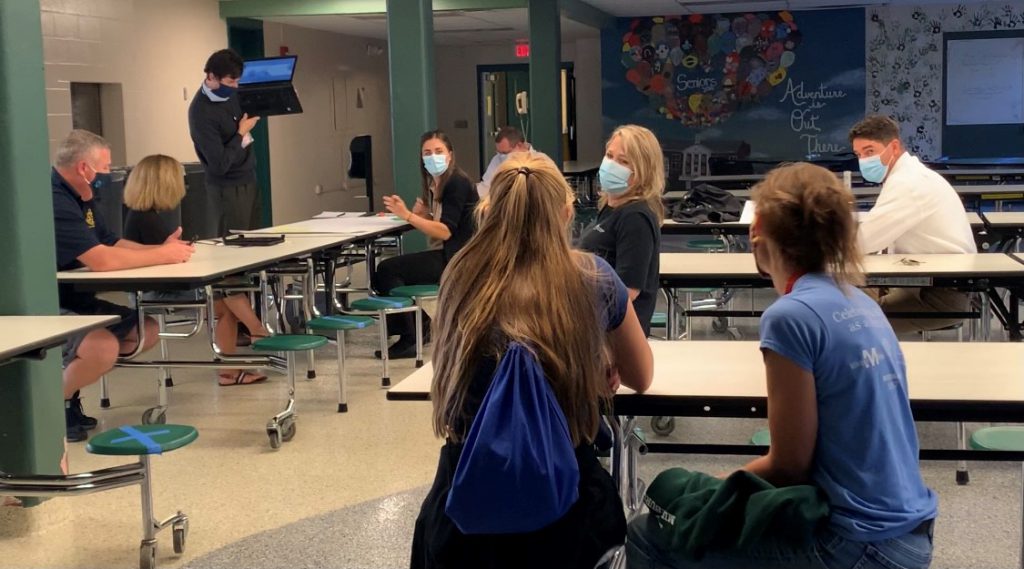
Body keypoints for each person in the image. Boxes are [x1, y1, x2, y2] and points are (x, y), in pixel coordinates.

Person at [626, 163, 937, 569]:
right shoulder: (861, 301)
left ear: (757, 238)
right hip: (912, 528)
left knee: (647, 533)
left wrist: (707, 492)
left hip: (858, 542)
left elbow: (789, 465)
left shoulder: (790, 316)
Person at [411, 155, 654, 569]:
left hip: (465, 495)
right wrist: (596, 357)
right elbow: (640, 376)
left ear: (488, 209)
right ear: (565, 211)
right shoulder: (594, 277)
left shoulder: (458, 274)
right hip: (569, 504)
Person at [52, 130, 195, 441]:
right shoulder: (55, 201)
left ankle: (68, 388)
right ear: (83, 169)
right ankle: (50, 407)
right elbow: (101, 260)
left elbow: (111, 241)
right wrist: (161, 254)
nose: (108, 174)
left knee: (146, 330)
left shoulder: (83, 197)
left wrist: (162, 251)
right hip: (47, 304)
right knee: (103, 347)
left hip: (78, 297)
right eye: (104, 168)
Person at [122, 154, 270, 386]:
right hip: (155, 290)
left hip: (162, 283)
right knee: (222, 296)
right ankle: (255, 334)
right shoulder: (145, 219)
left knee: (224, 293)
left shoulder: (144, 215)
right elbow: (159, 258)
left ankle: (242, 350)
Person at [850, 114, 977, 334]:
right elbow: (876, 227)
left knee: (849, 320)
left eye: (869, 151)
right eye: (858, 154)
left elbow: (864, 240)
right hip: (922, 281)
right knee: (849, 292)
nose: (863, 160)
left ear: (894, 147)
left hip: (938, 296)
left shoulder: (909, 184)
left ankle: (869, 364)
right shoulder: (907, 176)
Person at [374, 130, 478, 359]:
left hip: (458, 258)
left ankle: (411, 335)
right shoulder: (436, 184)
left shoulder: (456, 183)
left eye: (438, 151)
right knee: (394, 270)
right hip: (448, 252)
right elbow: (443, 225)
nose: (433, 157)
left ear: (450, 154)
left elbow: (446, 231)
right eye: (427, 153)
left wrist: (409, 216)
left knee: (387, 270)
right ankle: (419, 324)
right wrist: (424, 215)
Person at [578, 125, 664, 336]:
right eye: (609, 155)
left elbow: (627, 290)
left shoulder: (635, 217)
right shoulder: (611, 206)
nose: (611, 165)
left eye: (623, 161)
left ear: (642, 171)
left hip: (615, 336)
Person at [188, 48, 261, 237]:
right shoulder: (201, 112)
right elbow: (219, 164)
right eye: (230, 81)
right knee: (235, 245)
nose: (235, 86)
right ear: (211, 77)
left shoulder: (231, 95)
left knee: (255, 241)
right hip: (226, 187)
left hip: (248, 179)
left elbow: (256, 105)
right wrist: (240, 133)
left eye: (237, 81)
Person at [477, 126, 547, 198]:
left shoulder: (541, 161)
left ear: (520, 145)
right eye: (499, 152)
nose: (501, 156)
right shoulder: (497, 159)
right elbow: (486, 186)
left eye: (505, 153)